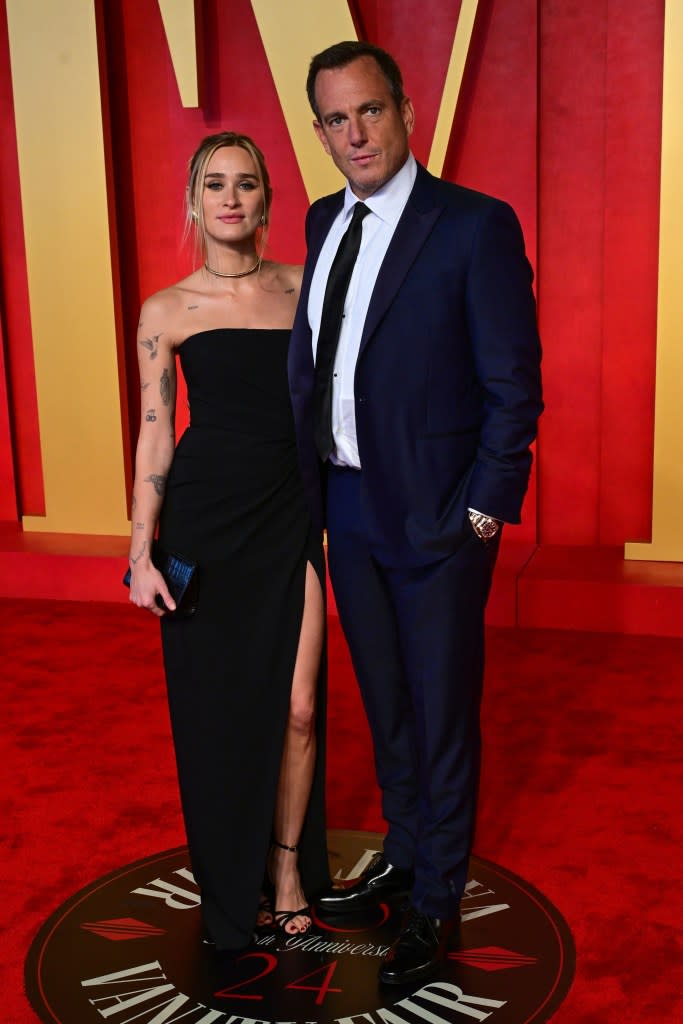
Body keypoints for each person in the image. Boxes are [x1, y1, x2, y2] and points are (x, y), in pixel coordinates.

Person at [288, 42, 543, 984]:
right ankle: (402, 850)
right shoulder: (324, 222)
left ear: (405, 111)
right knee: (386, 699)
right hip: (345, 503)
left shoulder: (472, 226)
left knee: (441, 710)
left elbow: (513, 385)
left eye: (369, 112)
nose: (355, 133)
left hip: (438, 516)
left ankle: (436, 899)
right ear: (319, 131)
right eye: (336, 120)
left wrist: (482, 512)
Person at [127, 131, 329, 952]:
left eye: (246, 184)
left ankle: (285, 871)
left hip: (290, 513)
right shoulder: (166, 310)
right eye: (216, 184)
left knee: (299, 706)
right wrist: (141, 549)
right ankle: (227, 878)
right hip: (205, 523)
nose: (232, 198)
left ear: (266, 199)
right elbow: (154, 432)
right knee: (216, 716)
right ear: (194, 201)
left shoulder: (305, 288)